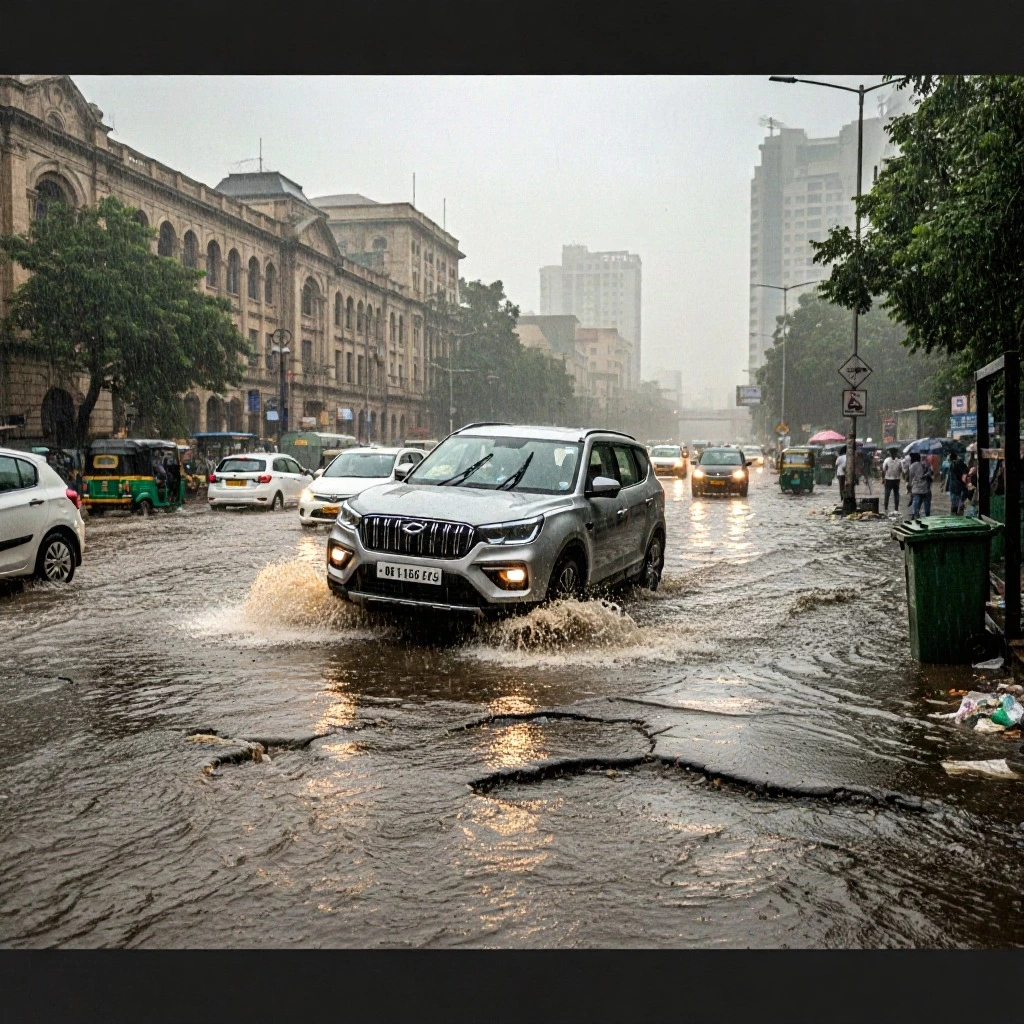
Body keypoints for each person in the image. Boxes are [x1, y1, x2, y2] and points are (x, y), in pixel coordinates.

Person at [908, 451, 933, 520]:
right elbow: (931, 476)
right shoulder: (927, 465)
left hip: (916, 489)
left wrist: (909, 488)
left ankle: (915, 518)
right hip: (926, 489)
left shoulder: (912, 466)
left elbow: (910, 478)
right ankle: (927, 520)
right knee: (927, 509)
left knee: (916, 507)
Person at [947, 451, 969, 515]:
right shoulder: (962, 464)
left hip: (954, 488)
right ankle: (959, 514)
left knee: (954, 504)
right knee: (961, 503)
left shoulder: (952, 465)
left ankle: (954, 514)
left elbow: (954, 476)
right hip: (962, 486)